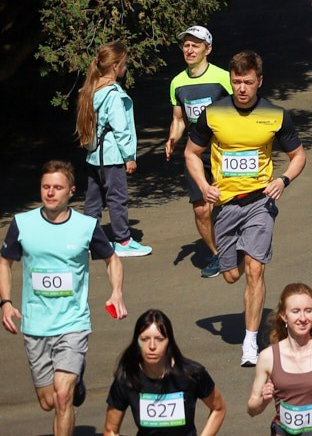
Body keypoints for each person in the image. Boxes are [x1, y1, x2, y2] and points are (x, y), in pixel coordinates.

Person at [185, 50, 306, 366]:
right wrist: (204, 186)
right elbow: (190, 153)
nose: (241, 88)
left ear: (259, 82)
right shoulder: (213, 114)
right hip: (224, 205)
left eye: (247, 82)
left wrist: (284, 181)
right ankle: (233, 254)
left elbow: (299, 156)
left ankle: (250, 342)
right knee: (230, 275)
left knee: (255, 268)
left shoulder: (275, 115)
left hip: (259, 203)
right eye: (236, 81)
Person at [2, 160, 129, 436]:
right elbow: (4, 262)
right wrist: (6, 302)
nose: (50, 192)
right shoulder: (23, 224)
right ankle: (76, 384)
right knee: (49, 401)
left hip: (73, 322)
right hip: (35, 325)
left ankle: (70, 385)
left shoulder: (85, 226)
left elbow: (111, 259)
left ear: (71, 191)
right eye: (46, 187)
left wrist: (116, 292)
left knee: (62, 396)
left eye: (57, 187)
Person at [164, 26, 231, 273]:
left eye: (195, 45)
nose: (189, 49)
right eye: (186, 45)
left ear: (208, 49)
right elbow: (180, 119)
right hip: (196, 153)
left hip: (225, 151)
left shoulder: (223, 77)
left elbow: (243, 106)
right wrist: (173, 137)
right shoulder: (177, 82)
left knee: (229, 202)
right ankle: (218, 255)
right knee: (201, 208)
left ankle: (238, 245)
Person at [244, 284, 312, 436]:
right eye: (295, 311)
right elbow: (252, 409)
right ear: (283, 315)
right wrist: (264, 400)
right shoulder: (268, 357)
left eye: (308, 311)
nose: (302, 318)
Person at [76, 41, 148, 257]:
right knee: (117, 198)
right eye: (124, 64)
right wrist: (129, 156)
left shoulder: (90, 90)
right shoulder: (113, 94)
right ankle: (123, 241)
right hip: (112, 156)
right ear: (115, 66)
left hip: (94, 156)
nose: (126, 68)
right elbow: (121, 129)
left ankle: (89, 241)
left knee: (93, 202)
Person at [103, 310, 224, 436]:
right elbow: (110, 430)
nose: (152, 346)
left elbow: (218, 408)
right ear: (136, 342)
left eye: (159, 339)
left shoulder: (191, 374)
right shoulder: (127, 379)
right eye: (144, 339)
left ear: (169, 342)